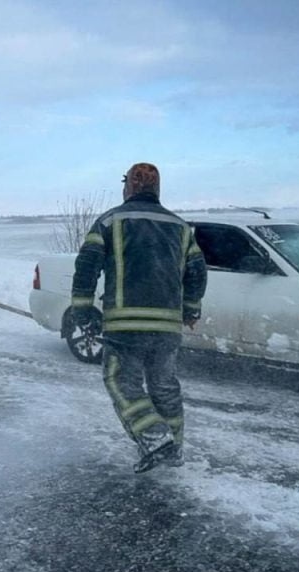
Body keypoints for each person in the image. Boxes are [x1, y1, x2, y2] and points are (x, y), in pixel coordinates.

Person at [71, 162, 207, 473]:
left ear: (130, 187)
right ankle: (175, 451)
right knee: (165, 386)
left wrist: (82, 309)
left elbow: (86, 266)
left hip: (125, 324)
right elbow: (197, 272)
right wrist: (191, 309)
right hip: (167, 327)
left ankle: (156, 439)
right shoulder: (181, 227)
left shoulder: (109, 222)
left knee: (121, 381)